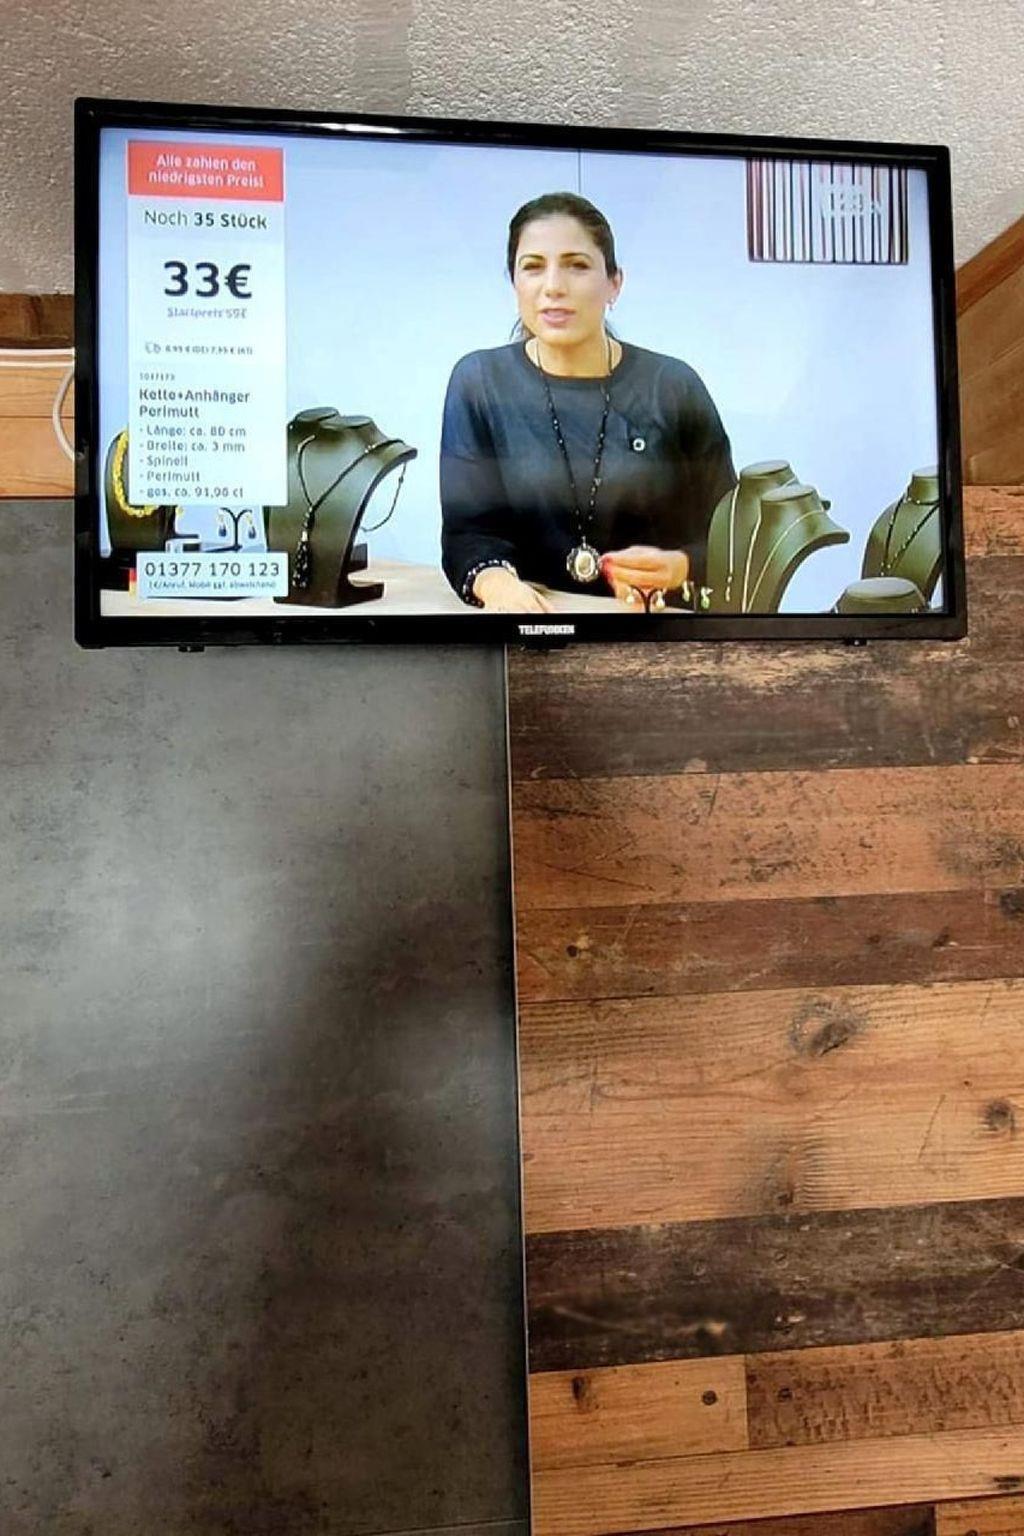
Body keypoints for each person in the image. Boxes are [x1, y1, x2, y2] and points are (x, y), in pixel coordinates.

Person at [440, 191, 736, 613]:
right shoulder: (480, 382)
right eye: (533, 267)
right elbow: (467, 534)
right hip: (534, 628)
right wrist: (498, 586)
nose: (553, 287)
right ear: (514, 283)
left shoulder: (672, 386)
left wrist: (680, 567)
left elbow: (731, 539)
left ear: (614, 283)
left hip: (655, 628)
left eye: (577, 266)